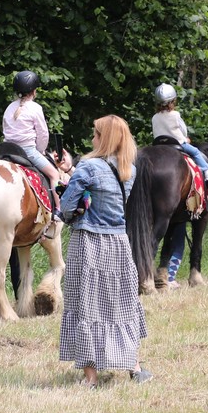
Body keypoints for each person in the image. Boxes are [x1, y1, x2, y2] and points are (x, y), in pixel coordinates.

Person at [58, 115, 151, 386]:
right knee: (121, 304)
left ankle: (91, 378)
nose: (92, 139)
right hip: (119, 244)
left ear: (104, 138)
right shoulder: (129, 170)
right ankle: (134, 367)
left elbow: (66, 207)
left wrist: (69, 187)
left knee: (86, 305)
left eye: (95, 134)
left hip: (89, 244)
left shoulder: (88, 167)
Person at [151, 83, 208, 182]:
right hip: (177, 144)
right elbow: (183, 129)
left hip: (159, 146)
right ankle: (207, 172)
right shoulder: (175, 114)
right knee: (195, 152)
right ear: (172, 101)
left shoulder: (154, 117)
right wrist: (186, 138)